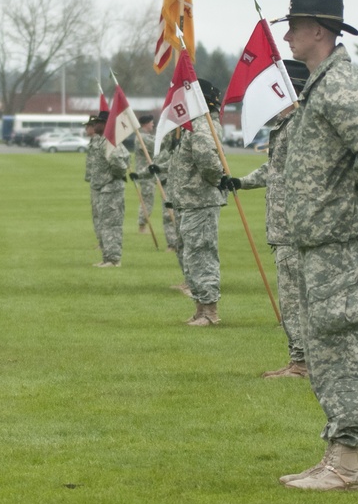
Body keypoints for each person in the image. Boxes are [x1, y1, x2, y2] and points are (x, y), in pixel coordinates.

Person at [275, 0, 358, 491]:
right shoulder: (321, 87)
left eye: (295, 26)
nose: (287, 36)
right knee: (325, 347)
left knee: (339, 345)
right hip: (317, 241)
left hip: (336, 241)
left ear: (319, 32)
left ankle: (347, 463)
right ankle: (334, 455)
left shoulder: (341, 86)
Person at [230, 60, 311, 378]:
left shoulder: (301, 126)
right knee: (292, 298)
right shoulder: (287, 127)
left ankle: (302, 363)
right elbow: (275, 171)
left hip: (295, 229)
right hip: (284, 229)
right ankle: (300, 359)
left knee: (295, 300)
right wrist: (242, 182)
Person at [151, 79, 227, 326]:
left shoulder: (202, 127)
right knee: (191, 256)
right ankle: (200, 308)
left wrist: (216, 181)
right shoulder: (192, 126)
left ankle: (210, 312)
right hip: (189, 203)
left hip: (200, 202)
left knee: (202, 255)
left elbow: (208, 162)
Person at [86, 111, 130, 268]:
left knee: (111, 224)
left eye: (98, 122)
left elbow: (118, 162)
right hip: (102, 188)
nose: (94, 125)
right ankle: (107, 257)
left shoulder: (110, 141)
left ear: (107, 124)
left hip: (111, 188)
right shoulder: (101, 140)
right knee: (103, 224)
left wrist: (114, 177)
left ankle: (113, 259)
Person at [132, 115, 157, 234]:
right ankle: (142, 226)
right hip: (145, 173)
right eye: (151, 122)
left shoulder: (145, 137)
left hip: (149, 172)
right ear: (146, 123)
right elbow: (157, 146)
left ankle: (143, 224)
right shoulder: (142, 137)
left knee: (148, 199)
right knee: (147, 200)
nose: (153, 125)